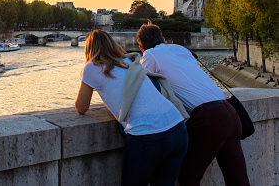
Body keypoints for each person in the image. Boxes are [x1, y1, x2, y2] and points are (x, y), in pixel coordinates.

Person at [136, 21, 250, 186]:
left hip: (208, 119)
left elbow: (144, 87)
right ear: (164, 39)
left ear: (141, 47)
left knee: (188, 177)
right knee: (238, 179)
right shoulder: (180, 49)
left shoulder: (150, 55)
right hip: (230, 112)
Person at [75, 30, 189, 186]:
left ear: (89, 49)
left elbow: (81, 107)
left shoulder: (91, 68)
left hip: (148, 134)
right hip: (178, 127)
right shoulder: (129, 62)